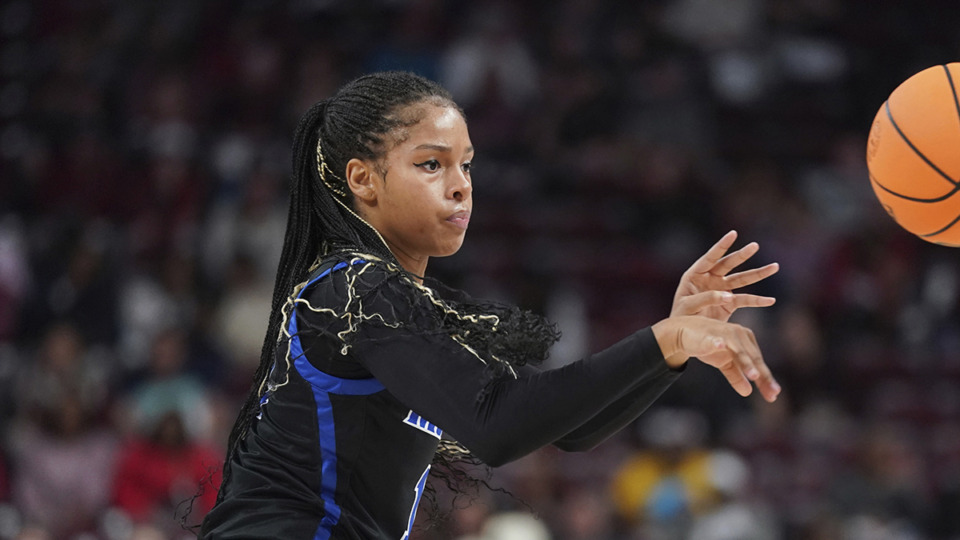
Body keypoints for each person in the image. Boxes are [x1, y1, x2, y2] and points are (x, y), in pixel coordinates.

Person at [199, 71, 781, 539]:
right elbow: (499, 428)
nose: (460, 185)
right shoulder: (357, 290)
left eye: (466, 164)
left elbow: (567, 429)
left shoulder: (410, 307)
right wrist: (667, 339)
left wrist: (668, 350)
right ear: (363, 179)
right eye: (431, 164)